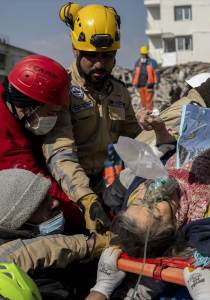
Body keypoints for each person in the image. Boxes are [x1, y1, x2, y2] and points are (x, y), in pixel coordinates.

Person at [45, 3, 143, 233]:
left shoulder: (119, 92)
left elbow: (134, 141)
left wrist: (156, 136)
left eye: (107, 56)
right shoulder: (62, 90)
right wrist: (87, 199)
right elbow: (60, 153)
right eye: (91, 56)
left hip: (102, 187)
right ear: (75, 49)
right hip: (66, 192)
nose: (99, 64)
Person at [0, 54, 83, 228]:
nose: (56, 118)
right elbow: (39, 188)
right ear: (29, 108)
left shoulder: (13, 102)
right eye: (52, 112)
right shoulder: (6, 139)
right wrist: (83, 216)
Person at [0, 169, 109, 298]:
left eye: (48, 195)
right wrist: (103, 288)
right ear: (22, 221)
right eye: (41, 203)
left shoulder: (56, 226)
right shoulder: (23, 276)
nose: (55, 203)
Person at [132, 45, 160, 112]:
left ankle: (149, 116)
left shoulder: (152, 62)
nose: (143, 55)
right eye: (142, 54)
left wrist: (157, 83)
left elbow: (157, 73)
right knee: (143, 102)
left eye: (144, 54)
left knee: (149, 102)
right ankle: (144, 116)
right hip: (140, 85)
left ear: (147, 53)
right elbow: (135, 73)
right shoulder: (138, 62)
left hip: (149, 85)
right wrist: (134, 83)